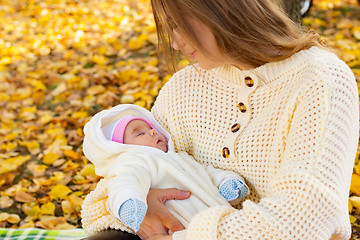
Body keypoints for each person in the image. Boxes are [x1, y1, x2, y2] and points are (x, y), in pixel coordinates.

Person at [83, 0, 359, 239]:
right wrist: (143, 206)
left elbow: (301, 222)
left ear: (220, 6)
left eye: (178, 25)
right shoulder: (182, 88)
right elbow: (108, 191)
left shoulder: (320, 80)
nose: (176, 43)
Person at [81, 104, 249, 239]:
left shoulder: (180, 157)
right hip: (179, 225)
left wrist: (226, 181)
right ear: (123, 148)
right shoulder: (136, 161)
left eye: (149, 128)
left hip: (222, 221)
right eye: (140, 133)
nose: (152, 131)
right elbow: (126, 181)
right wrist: (128, 202)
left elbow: (207, 172)